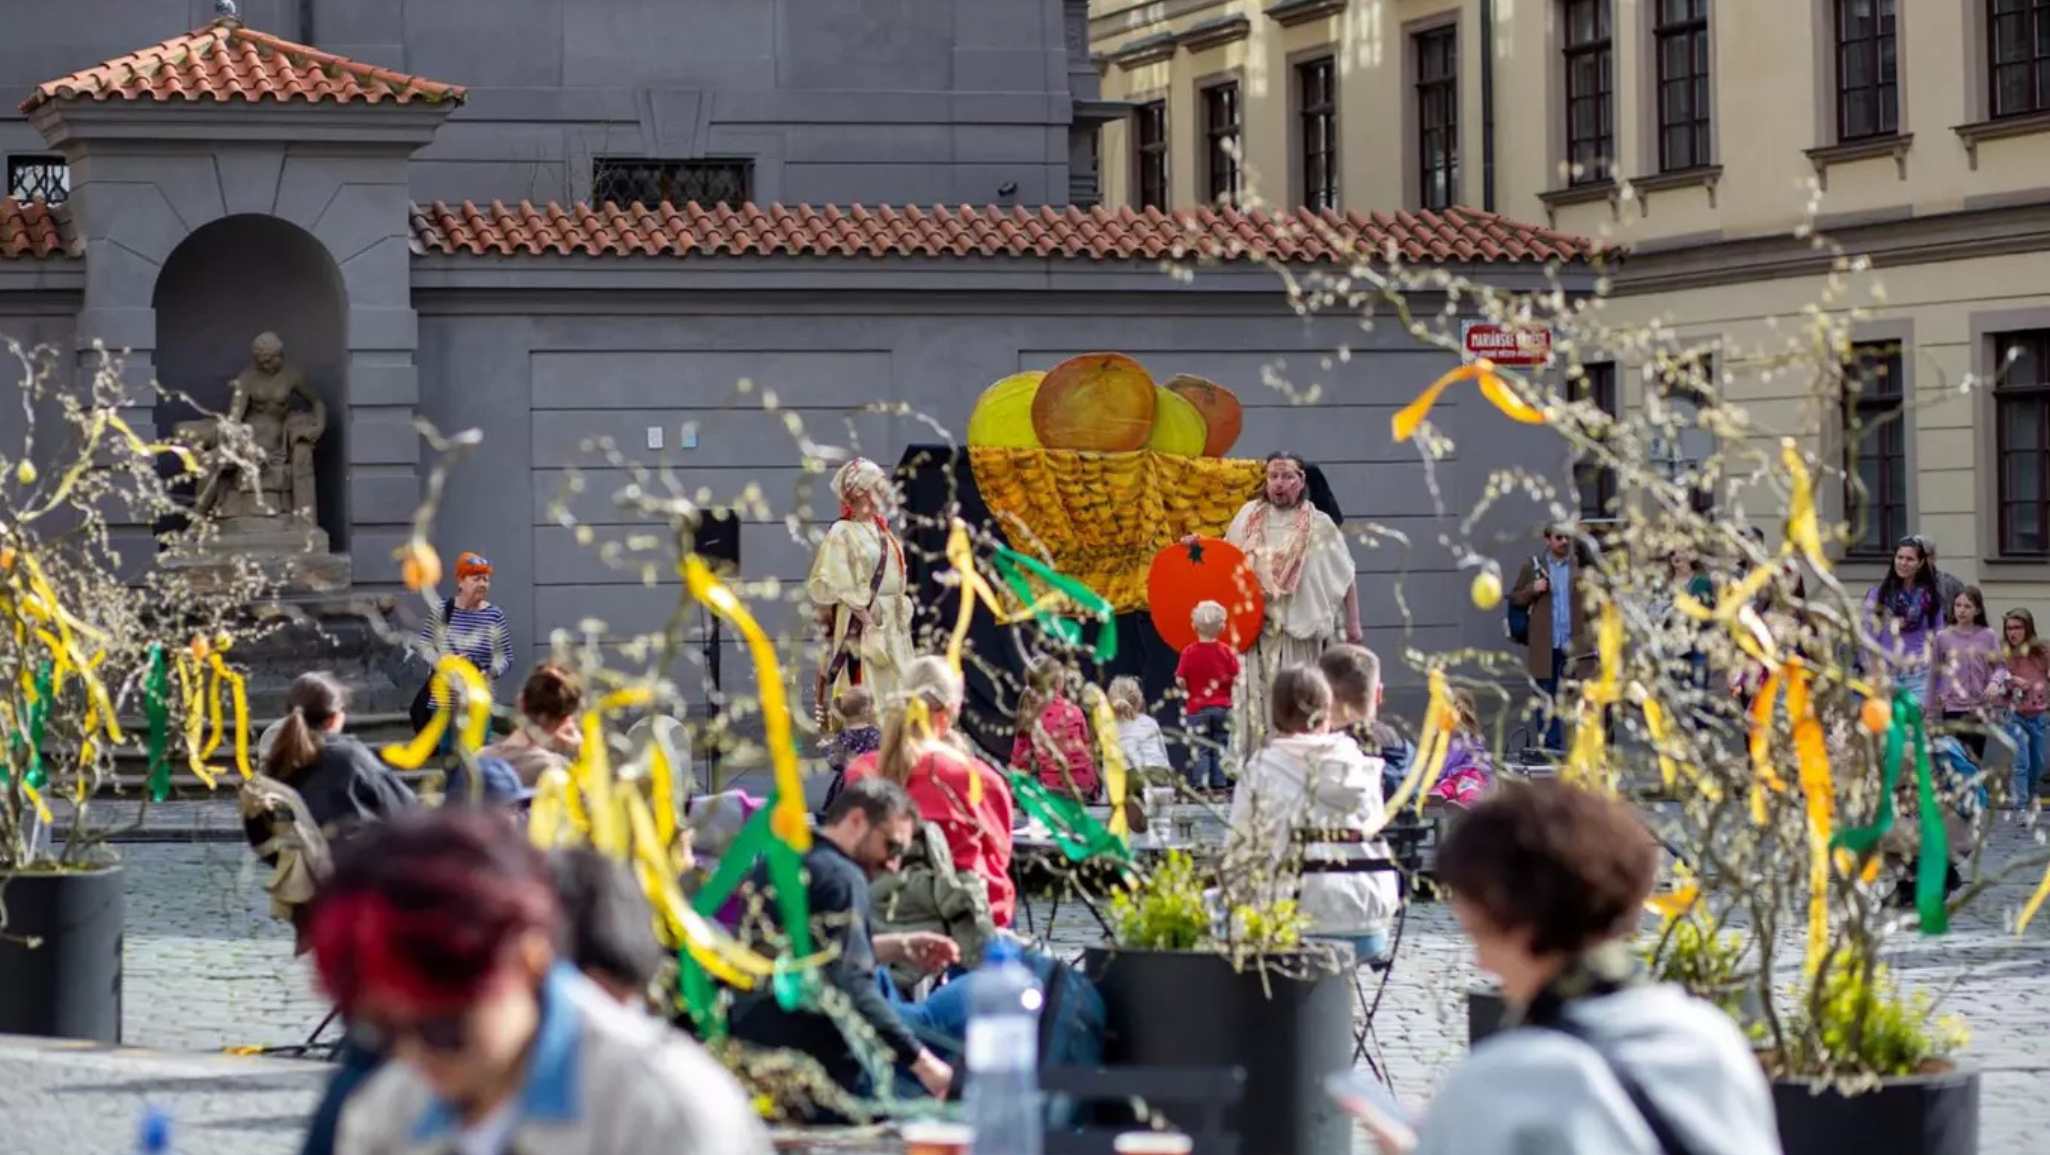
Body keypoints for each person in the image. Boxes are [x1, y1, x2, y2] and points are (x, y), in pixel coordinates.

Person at [1353, 781, 1781, 1155]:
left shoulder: (1503, 1080)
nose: (1481, 961)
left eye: (1478, 933)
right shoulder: (1712, 1038)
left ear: (1517, 924)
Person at [314, 810, 770, 1155]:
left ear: (531, 959)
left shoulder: (660, 1107)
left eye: (445, 1029)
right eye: (380, 1031)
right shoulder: (390, 1108)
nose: (414, 1056)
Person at [727, 778, 958, 1105]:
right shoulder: (842, 877)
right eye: (891, 847)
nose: (893, 865)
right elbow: (848, 981)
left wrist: (898, 946)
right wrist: (924, 1064)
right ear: (856, 820)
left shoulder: (781, 860)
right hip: (824, 1075)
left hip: (760, 1060)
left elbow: (812, 958)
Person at [1226, 664, 1397, 964]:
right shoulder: (1361, 766)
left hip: (1294, 921)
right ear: (1328, 711)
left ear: (1275, 712)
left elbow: (1237, 851)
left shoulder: (1262, 769)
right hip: (1368, 919)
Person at [846, 656, 1016, 928]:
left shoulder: (860, 772)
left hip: (883, 919)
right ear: (948, 715)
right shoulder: (979, 779)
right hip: (963, 926)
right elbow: (999, 858)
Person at [1213, 452, 1361, 757]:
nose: (1279, 484)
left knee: (1298, 700)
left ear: (1301, 481)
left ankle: (1298, 761)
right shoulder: (1247, 517)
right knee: (1255, 707)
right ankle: (1257, 765)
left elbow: (1345, 573)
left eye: (1287, 477)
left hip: (1298, 633)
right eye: (1273, 477)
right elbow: (1225, 564)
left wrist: (1353, 623)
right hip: (1255, 633)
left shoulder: (1319, 524)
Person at [808, 457, 915, 708]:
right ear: (859, 492)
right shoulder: (843, 531)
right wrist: (869, 624)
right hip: (866, 622)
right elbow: (837, 581)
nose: (885, 491)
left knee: (898, 691)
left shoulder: (883, 531)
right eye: (877, 485)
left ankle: (895, 729)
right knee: (869, 686)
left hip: (893, 622)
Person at [263, 673, 414, 841]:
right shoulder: (349, 756)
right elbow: (403, 808)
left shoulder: (279, 757)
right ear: (333, 718)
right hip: (353, 854)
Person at [1508, 524, 1595, 751]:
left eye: (1567, 538)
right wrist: (1532, 589)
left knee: (1580, 697)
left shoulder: (1579, 567)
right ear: (1547, 540)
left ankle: (1580, 749)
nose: (1564, 542)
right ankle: (1551, 749)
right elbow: (1515, 598)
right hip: (1545, 644)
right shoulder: (1533, 567)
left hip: (1575, 645)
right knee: (1546, 697)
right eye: (1559, 538)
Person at [413, 551, 514, 733]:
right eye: (476, 579)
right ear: (461, 581)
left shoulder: (494, 615)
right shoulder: (442, 611)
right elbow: (424, 646)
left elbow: (506, 656)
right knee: (446, 750)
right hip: (444, 704)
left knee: (478, 749)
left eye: (486, 579)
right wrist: (443, 661)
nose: (482, 584)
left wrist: (489, 672)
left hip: (478, 702)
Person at [1010, 655, 1100, 800]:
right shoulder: (1075, 710)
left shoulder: (1030, 715)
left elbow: (1019, 761)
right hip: (1085, 787)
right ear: (1059, 683)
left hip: (1053, 790)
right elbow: (1088, 747)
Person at [478, 663, 583, 786]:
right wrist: (580, 755)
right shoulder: (559, 771)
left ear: (521, 701)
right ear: (566, 720)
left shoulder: (476, 759)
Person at [1863, 535, 1943, 691]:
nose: (1903, 563)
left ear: (1920, 563)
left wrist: (1940, 685)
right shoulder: (1878, 595)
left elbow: (1939, 640)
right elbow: (1868, 638)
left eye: (1910, 559)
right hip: (1886, 676)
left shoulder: (1931, 597)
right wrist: (1873, 674)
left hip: (1920, 677)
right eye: (1899, 557)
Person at [1926, 586, 1998, 760]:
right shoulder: (1942, 637)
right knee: (1957, 760)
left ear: (1977, 610)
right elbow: (1934, 675)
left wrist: (1995, 682)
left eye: (1967, 606)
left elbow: (2001, 667)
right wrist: (1929, 713)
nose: (1961, 610)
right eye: (1958, 605)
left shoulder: (1988, 635)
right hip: (1952, 708)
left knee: (1975, 760)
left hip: (1979, 709)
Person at [1176, 599, 1240, 791]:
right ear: (1222, 628)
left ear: (1194, 626)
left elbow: (1180, 680)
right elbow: (1237, 678)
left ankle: (1202, 784)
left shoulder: (1188, 652)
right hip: (1222, 708)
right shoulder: (1226, 652)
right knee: (1220, 744)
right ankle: (1219, 783)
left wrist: (1187, 688)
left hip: (1196, 709)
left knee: (1200, 747)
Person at [1999, 609, 2050, 806]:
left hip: (2038, 715)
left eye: (2017, 627)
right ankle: (2020, 804)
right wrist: (2012, 681)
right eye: (2009, 628)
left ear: (2028, 629)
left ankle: (2028, 797)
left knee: (2037, 763)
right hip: (2014, 715)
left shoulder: (2042, 652)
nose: (2012, 632)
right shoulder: (2004, 655)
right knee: (2021, 762)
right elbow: (1997, 682)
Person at [821, 686, 883, 813]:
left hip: (845, 786)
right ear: (866, 710)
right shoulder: (876, 734)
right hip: (871, 783)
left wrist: (827, 748)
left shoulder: (841, 736)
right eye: (873, 705)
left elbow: (834, 762)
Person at [1108, 676, 1172, 785]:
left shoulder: (1109, 727)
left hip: (1130, 778)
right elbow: (1163, 755)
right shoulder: (1150, 722)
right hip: (1160, 775)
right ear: (1139, 700)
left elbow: (1109, 765)